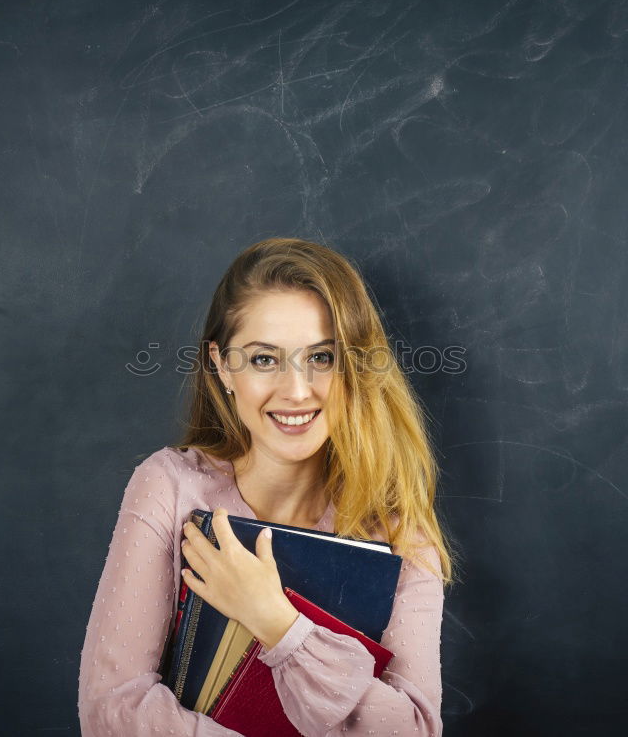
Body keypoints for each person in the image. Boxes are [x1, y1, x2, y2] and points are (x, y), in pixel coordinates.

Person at [78, 237, 458, 736]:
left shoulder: (401, 535)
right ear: (221, 365)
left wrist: (280, 625)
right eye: (263, 360)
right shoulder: (170, 487)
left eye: (322, 358)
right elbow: (113, 710)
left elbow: (413, 729)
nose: (296, 390)